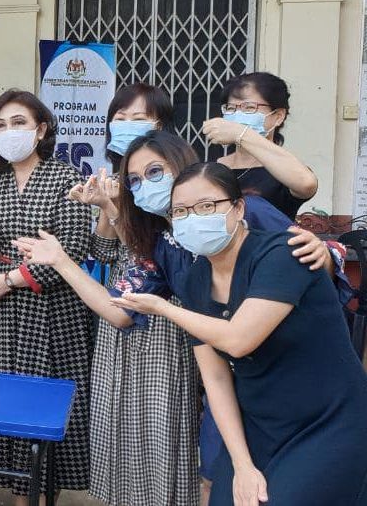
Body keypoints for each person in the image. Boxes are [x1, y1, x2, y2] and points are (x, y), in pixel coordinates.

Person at [13, 130, 345, 504]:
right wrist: (60, 260)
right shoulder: (169, 249)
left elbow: (302, 254)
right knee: (218, 481)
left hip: (309, 386)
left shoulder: (242, 211)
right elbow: (121, 311)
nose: (146, 186)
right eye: (135, 181)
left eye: (155, 172)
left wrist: (328, 251)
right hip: (245, 388)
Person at [109, 162, 367, 505]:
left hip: (327, 421)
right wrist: (242, 464)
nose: (193, 218)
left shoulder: (282, 253)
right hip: (261, 423)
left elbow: (238, 339)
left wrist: (164, 309)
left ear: (238, 207)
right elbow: (215, 378)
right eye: (181, 211)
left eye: (206, 206)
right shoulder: (196, 280)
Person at [0, 90, 91, 503]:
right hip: (7, 320)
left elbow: (74, 247)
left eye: (18, 123)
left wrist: (9, 278)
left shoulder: (66, 179)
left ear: (41, 129)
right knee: (12, 413)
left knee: (47, 416)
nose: (9, 132)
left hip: (55, 313)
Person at [63, 83, 201, 505]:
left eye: (138, 118)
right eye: (119, 118)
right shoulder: (117, 178)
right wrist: (106, 206)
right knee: (116, 416)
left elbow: (157, 254)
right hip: (117, 305)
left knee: (159, 422)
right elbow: (105, 252)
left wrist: (115, 209)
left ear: (162, 125)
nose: (126, 126)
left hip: (164, 315)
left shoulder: (180, 182)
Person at [203, 72, 317, 221]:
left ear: (278, 116)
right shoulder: (211, 167)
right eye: (231, 108)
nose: (237, 115)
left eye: (249, 108)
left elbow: (306, 183)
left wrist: (241, 134)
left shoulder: (284, 169)